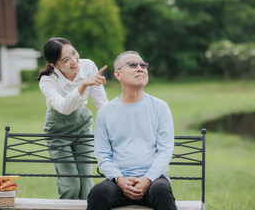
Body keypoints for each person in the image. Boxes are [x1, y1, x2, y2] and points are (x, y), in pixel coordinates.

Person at [87, 51, 177, 210]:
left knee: (161, 190)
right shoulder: (105, 112)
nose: (140, 68)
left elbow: (165, 150)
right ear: (118, 74)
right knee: (98, 192)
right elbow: (103, 154)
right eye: (133, 65)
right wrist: (120, 180)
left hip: (153, 180)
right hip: (119, 183)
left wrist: (147, 179)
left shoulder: (160, 107)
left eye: (143, 65)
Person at [37, 37, 108, 199]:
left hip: (82, 123)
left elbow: (101, 103)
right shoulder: (47, 80)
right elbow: (63, 107)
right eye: (66, 60)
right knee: (71, 185)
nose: (74, 61)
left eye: (74, 53)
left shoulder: (88, 66)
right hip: (57, 130)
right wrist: (83, 85)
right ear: (54, 65)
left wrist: (112, 128)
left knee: (86, 181)